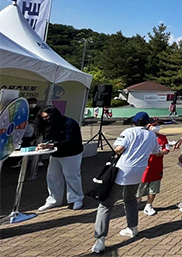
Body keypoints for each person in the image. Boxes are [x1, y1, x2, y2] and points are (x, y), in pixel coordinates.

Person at [91, 112, 159, 253]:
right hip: (138, 171)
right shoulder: (152, 135)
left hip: (122, 170)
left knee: (106, 204)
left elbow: (118, 149)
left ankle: (100, 239)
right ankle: (133, 227)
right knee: (130, 199)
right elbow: (155, 151)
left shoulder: (128, 131)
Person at [35, 106, 85, 211]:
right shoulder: (48, 125)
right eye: (43, 118)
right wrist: (44, 144)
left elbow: (71, 140)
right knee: (52, 177)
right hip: (56, 154)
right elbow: (47, 137)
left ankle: (76, 199)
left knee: (72, 177)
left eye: (47, 117)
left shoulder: (70, 123)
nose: (45, 120)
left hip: (71, 153)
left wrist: (52, 145)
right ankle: (54, 200)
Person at [136, 120, 169, 216]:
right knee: (140, 187)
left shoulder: (162, 138)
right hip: (144, 167)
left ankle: (149, 205)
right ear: (149, 126)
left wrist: (160, 153)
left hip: (157, 166)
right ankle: (136, 202)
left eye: (159, 125)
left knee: (154, 187)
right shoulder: (144, 137)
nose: (158, 127)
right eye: (155, 125)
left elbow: (166, 149)